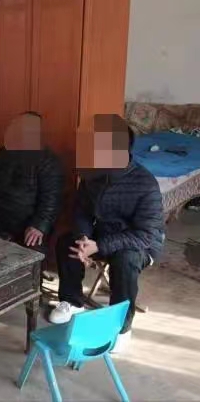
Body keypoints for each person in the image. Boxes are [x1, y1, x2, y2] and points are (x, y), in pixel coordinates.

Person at [49, 114, 164, 353]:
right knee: (67, 242)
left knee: (125, 259)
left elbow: (145, 234)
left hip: (138, 244)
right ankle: (72, 301)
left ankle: (121, 327)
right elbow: (82, 211)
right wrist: (83, 238)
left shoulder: (146, 184)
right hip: (99, 236)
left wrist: (99, 246)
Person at [0, 112, 64, 249]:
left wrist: (39, 226)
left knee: (34, 246)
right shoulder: (4, 152)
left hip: (26, 220)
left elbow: (51, 200)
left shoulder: (49, 161)